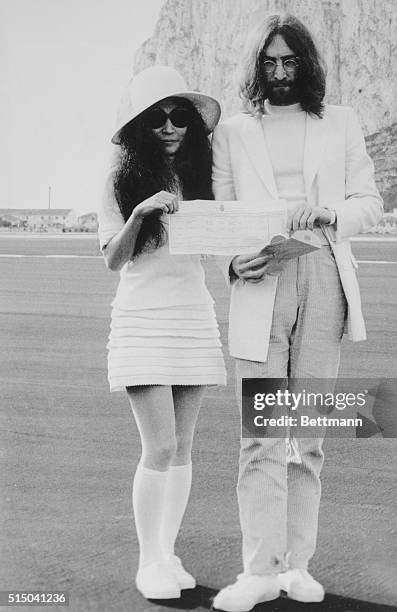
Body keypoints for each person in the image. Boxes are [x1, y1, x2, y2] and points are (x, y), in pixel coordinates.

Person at [211, 13, 383, 612]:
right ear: (257, 67)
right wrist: (236, 265)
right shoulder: (232, 132)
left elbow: (370, 200)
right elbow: (221, 213)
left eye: (290, 62)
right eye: (269, 62)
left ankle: (298, 566)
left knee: (308, 436)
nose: (280, 73)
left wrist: (332, 213)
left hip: (324, 273)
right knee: (260, 436)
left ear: (305, 64)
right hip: (262, 281)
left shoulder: (340, 122)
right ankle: (258, 571)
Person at [97, 65, 226, 600]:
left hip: (192, 313)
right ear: (139, 129)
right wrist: (141, 213)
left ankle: (168, 551)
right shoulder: (119, 180)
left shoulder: (202, 178)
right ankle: (149, 560)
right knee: (160, 445)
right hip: (143, 318)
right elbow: (112, 259)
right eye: (158, 119)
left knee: (185, 447)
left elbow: (220, 244)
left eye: (180, 118)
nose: (171, 127)